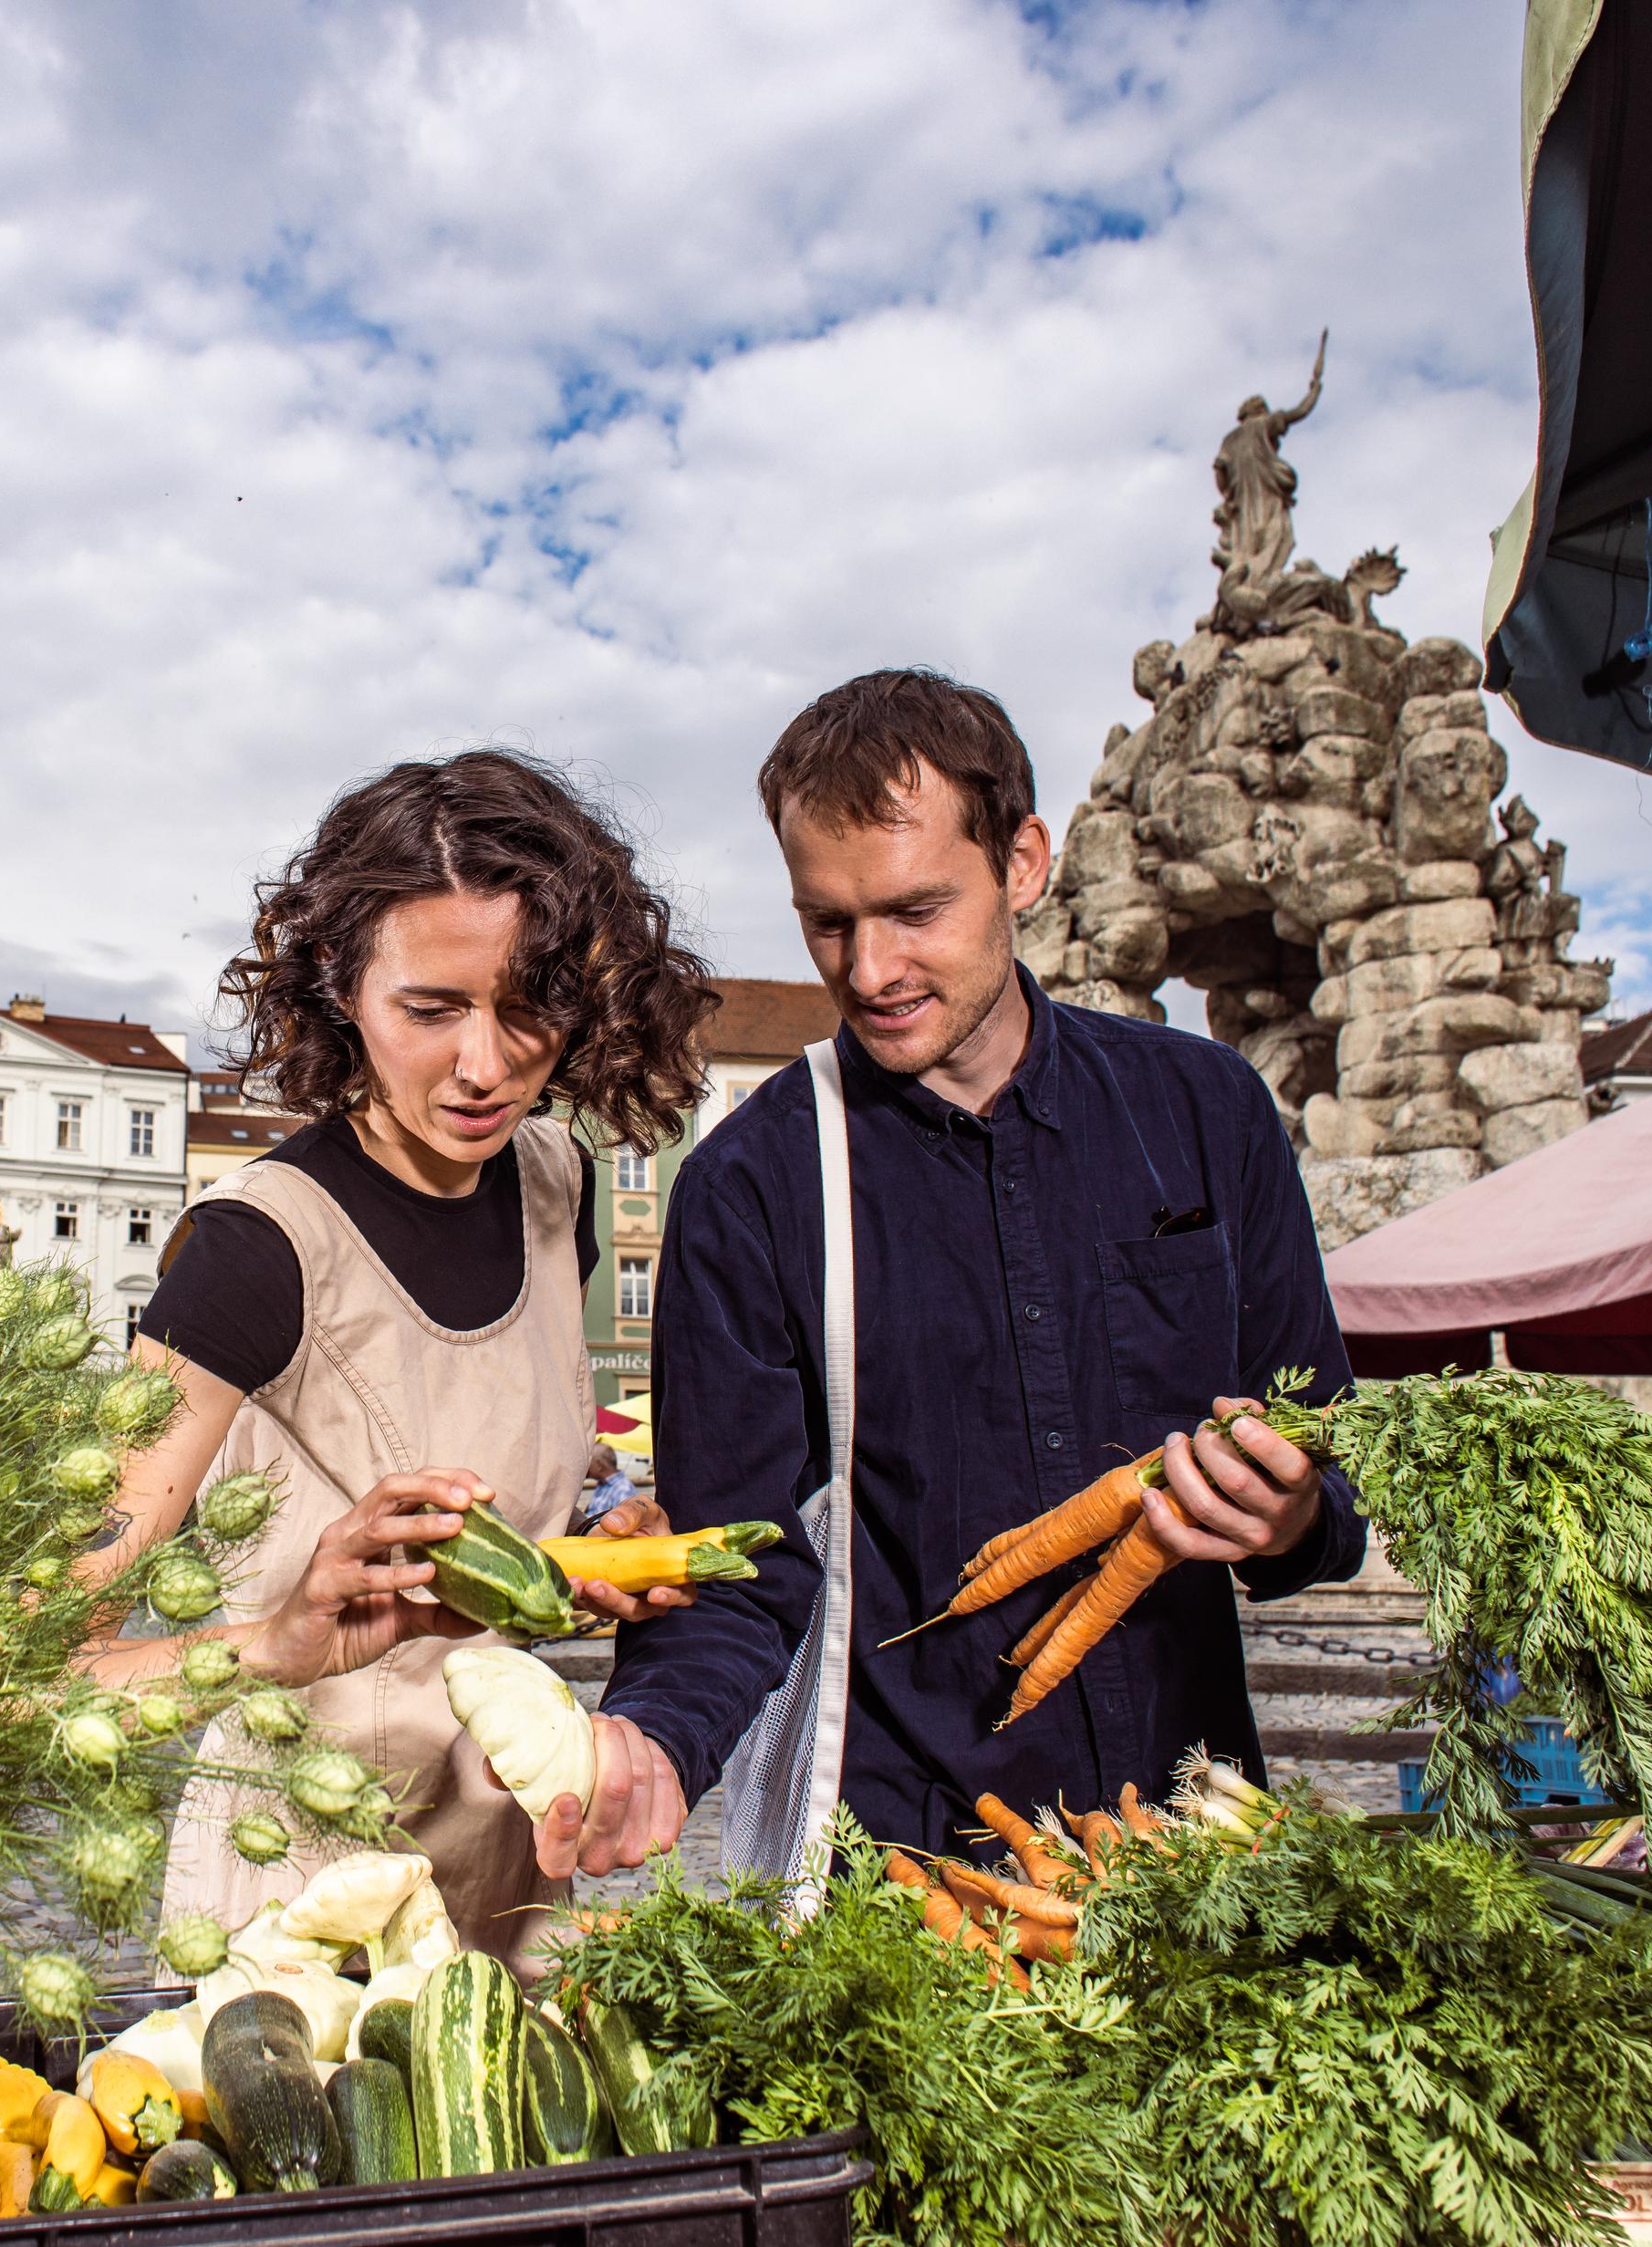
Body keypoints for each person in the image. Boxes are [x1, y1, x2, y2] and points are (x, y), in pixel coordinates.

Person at [580, 668, 1371, 1875]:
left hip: (1204, 1847)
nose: (871, 970)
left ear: (1024, 864)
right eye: (828, 922)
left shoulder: (1209, 1109)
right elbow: (733, 1564)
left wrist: (1294, 1515)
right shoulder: (749, 1186)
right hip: (907, 1874)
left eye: (916, 910)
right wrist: (654, 1740)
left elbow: (1335, 1470)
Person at [79, 750, 717, 1956]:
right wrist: (277, 1642)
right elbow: (40, 1670)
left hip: (509, 1893)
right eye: (431, 1010)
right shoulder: (254, 1250)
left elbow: (478, 1514)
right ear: (340, 983)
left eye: (530, 1004)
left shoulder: (557, 1181)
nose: (487, 1064)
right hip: (295, 1919)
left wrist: (581, 1551)